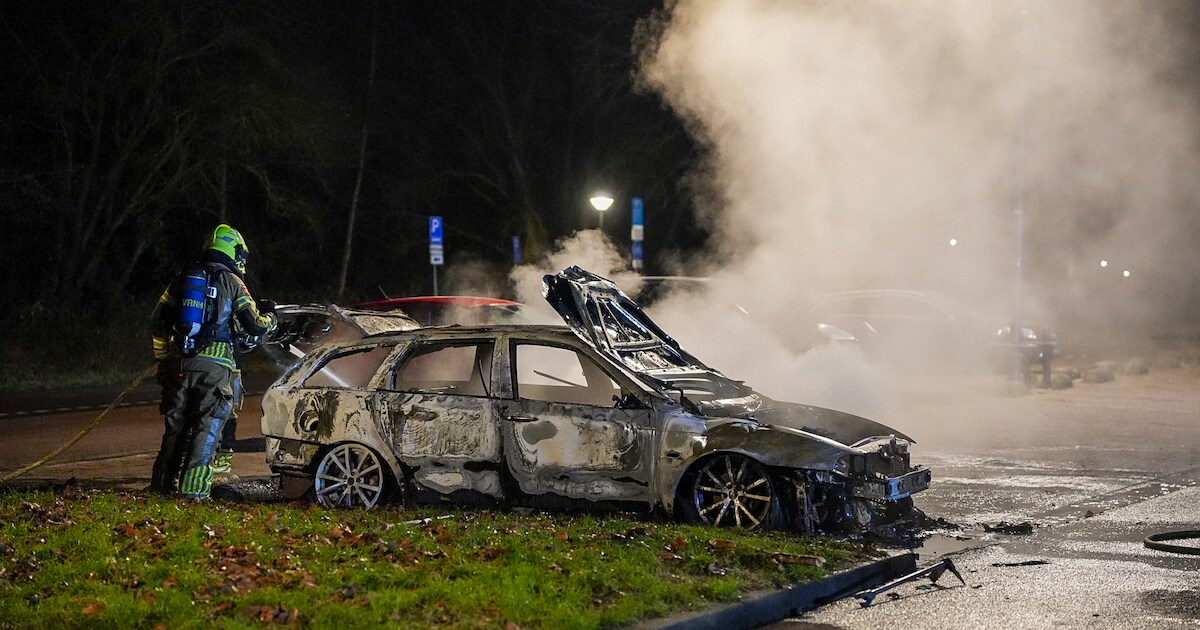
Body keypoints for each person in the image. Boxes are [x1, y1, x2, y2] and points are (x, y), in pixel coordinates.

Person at [149, 224, 275, 499]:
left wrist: (163, 358)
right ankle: (193, 494)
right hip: (216, 371)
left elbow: (157, 320)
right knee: (206, 433)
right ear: (234, 251)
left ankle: (159, 490)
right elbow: (254, 325)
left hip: (179, 366)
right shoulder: (232, 281)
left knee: (174, 432)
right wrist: (271, 318)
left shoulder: (183, 277)